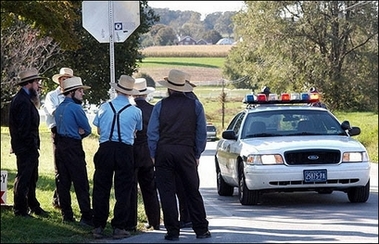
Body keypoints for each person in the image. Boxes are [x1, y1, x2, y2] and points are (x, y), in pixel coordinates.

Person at [147, 69, 211, 241]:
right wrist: (197, 153)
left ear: (169, 88)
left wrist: (154, 153)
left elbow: (152, 133)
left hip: (164, 151)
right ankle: (201, 229)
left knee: (167, 192)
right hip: (186, 151)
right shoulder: (195, 106)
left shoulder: (160, 105)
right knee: (192, 191)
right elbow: (201, 133)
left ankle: (172, 231)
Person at [92, 75, 142, 240]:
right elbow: (136, 131)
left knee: (101, 187)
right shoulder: (136, 111)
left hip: (105, 148)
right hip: (125, 150)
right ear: (130, 93)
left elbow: (98, 130)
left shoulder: (104, 107)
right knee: (123, 190)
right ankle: (119, 226)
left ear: (117, 90)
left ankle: (98, 226)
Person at [9, 68, 49, 218]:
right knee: (24, 177)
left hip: (28, 145)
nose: (38, 86)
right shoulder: (22, 101)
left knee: (32, 177)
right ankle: (20, 208)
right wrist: (30, 145)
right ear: (29, 84)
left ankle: (33, 204)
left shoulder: (25, 99)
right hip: (25, 146)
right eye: (37, 83)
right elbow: (24, 128)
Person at [54, 76, 93, 226]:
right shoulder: (76, 108)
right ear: (72, 92)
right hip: (73, 146)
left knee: (63, 181)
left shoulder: (59, 109)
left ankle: (67, 215)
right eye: (80, 91)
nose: (82, 94)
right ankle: (86, 215)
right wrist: (79, 133)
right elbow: (87, 129)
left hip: (60, 145)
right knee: (80, 181)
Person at [125, 78, 161, 232]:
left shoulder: (129, 110)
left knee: (131, 187)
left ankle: (131, 222)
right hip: (148, 152)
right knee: (150, 188)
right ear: (146, 94)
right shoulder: (153, 110)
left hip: (132, 150)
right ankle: (154, 220)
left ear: (133, 95)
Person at [44, 67, 74, 209]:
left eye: (68, 79)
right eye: (63, 79)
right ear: (59, 80)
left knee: (70, 167)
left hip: (71, 133)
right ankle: (60, 200)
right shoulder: (52, 95)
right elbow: (54, 112)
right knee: (59, 168)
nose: (65, 81)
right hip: (57, 131)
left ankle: (59, 198)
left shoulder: (74, 95)